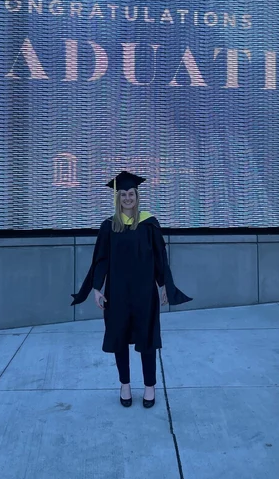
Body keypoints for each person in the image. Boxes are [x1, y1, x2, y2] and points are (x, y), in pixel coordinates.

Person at [71, 171, 192, 408]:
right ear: (118, 198)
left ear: (137, 196)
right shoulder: (109, 226)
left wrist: (164, 285)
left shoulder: (149, 223)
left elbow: (159, 258)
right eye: (123, 194)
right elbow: (101, 259)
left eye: (131, 194)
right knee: (119, 337)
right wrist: (97, 288)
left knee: (147, 338)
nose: (127, 198)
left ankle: (149, 387)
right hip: (117, 292)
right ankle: (124, 385)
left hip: (144, 292)